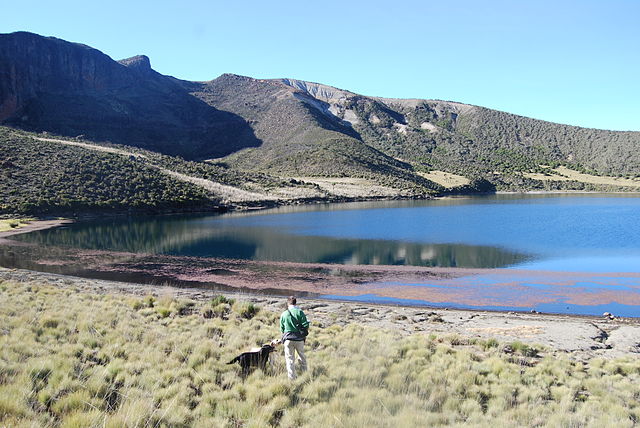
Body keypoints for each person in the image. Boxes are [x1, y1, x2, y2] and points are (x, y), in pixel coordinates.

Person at [279, 296, 309, 380]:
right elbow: (306, 325)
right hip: (299, 339)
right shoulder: (300, 312)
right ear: (295, 303)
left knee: (289, 359)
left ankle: (292, 379)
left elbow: (281, 328)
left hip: (288, 339)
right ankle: (305, 375)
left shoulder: (284, 314)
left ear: (288, 303)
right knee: (302, 357)